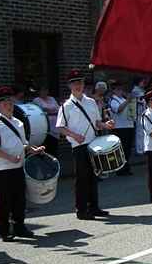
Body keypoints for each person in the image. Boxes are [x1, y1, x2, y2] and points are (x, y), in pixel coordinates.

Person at [0, 86, 45, 240]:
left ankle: (19, 226)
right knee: (5, 200)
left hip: (19, 166)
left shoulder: (18, 123)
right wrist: (9, 157)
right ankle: (4, 230)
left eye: (10, 102)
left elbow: (23, 144)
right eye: (4, 103)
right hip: (4, 168)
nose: (8, 105)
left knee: (20, 198)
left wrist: (34, 150)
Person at [56, 70, 115, 220]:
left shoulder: (91, 102)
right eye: (75, 83)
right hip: (78, 146)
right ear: (70, 86)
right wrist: (75, 135)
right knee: (82, 178)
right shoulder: (66, 106)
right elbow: (60, 127)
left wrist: (106, 125)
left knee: (93, 176)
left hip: (93, 143)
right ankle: (81, 209)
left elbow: (96, 123)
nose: (78, 85)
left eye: (80, 82)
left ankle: (94, 207)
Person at [109, 81, 135, 175]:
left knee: (127, 149)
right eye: (118, 89)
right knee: (121, 150)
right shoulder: (113, 100)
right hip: (120, 127)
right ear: (113, 90)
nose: (120, 91)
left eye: (121, 89)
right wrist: (127, 101)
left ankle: (126, 167)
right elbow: (118, 110)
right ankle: (120, 169)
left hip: (129, 125)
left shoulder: (123, 99)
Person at [33, 86, 61, 157]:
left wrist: (49, 110)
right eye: (43, 90)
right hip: (44, 126)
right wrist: (51, 110)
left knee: (54, 145)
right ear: (39, 92)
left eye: (46, 90)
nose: (44, 92)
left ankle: (54, 161)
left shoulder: (52, 98)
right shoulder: (36, 100)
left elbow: (58, 109)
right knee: (46, 146)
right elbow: (40, 110)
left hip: (54, 125)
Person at [131, 77, 149, 155]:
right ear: (138, 82)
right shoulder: (135, 90)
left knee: (143, 132)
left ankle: (143, 148)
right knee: (139, 133)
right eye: (142, 82)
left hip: (143, 112)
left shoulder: (141, 90)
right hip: (138, 113)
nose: (143, 83)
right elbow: (140, 101)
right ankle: (139, 150)